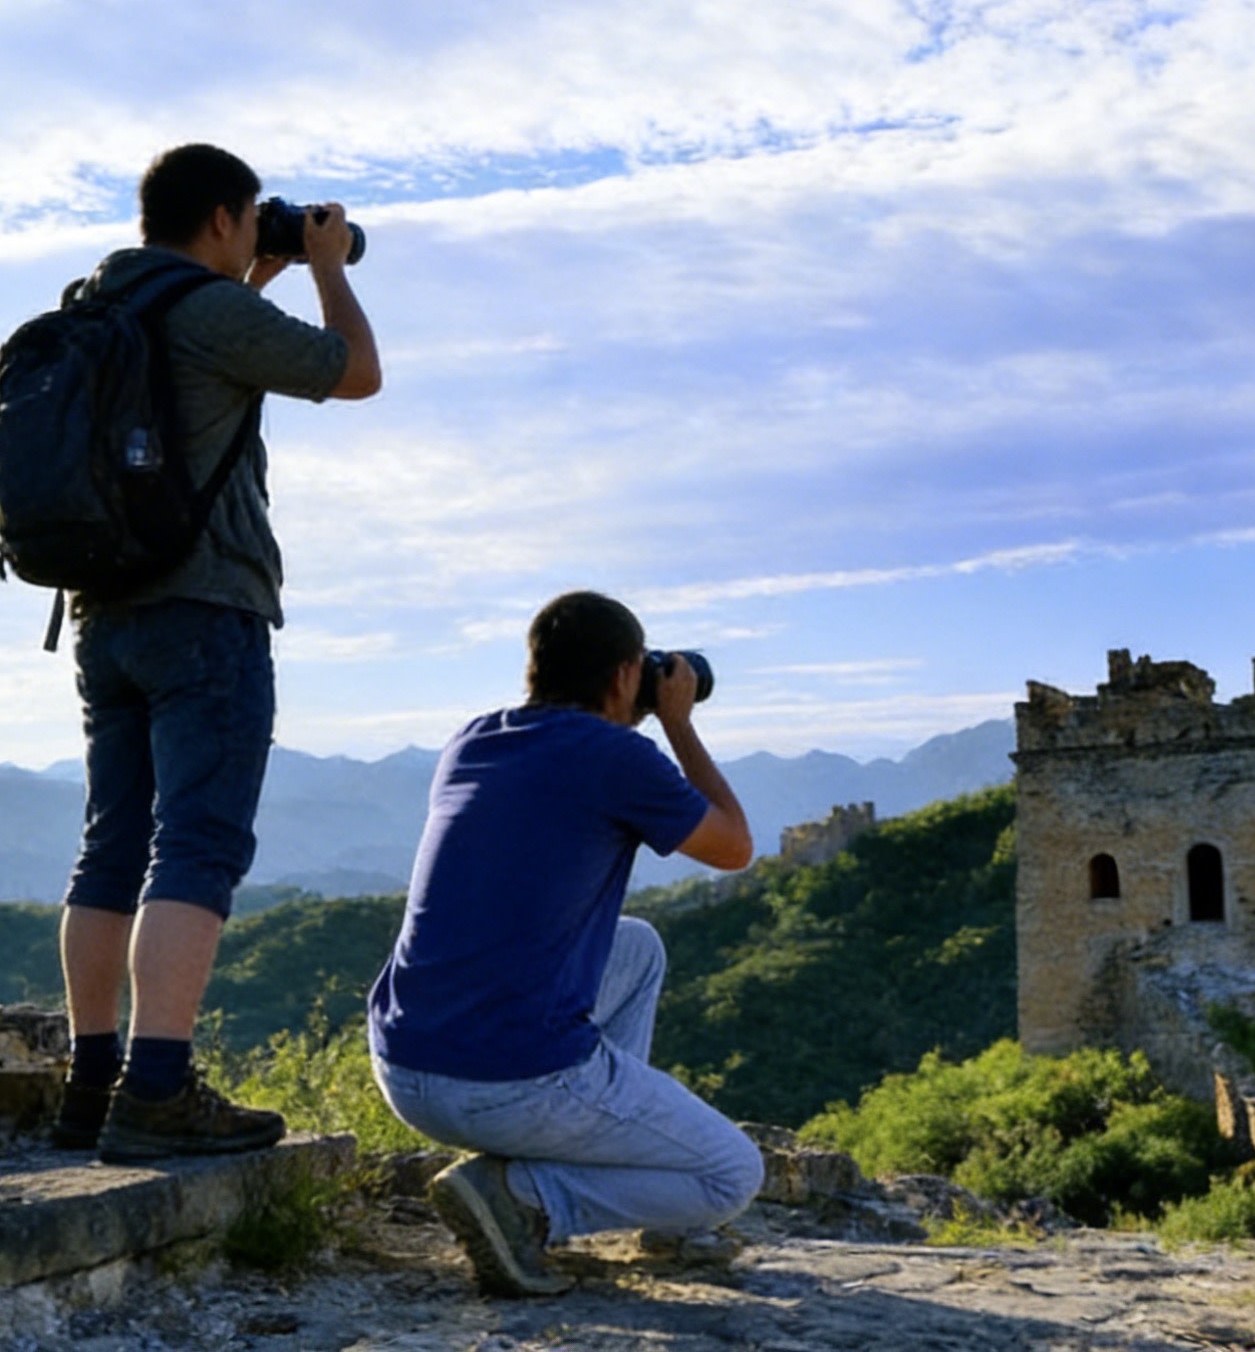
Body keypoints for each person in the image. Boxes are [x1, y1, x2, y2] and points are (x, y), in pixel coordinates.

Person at [52, 143, 383, 1163]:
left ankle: (89, 1083)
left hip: (103, 614)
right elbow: (356, 373)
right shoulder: (215, 315)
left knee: (110, 845)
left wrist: (253, 275)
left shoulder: (97, 303)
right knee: (195, 847)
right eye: (254, 220)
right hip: (207, 610)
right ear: (223, 219)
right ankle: (158, 1088)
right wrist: (326, 261)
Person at [367, 590, 764, 1297]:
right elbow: (733, 845)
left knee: (636, 948)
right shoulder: (618, 755)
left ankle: (589, 1156)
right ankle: (526, 1201)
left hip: (405, 1064)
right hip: (501, 1083)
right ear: (622, 676)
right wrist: (677, 722)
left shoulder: (473, 736)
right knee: (729, 1174)